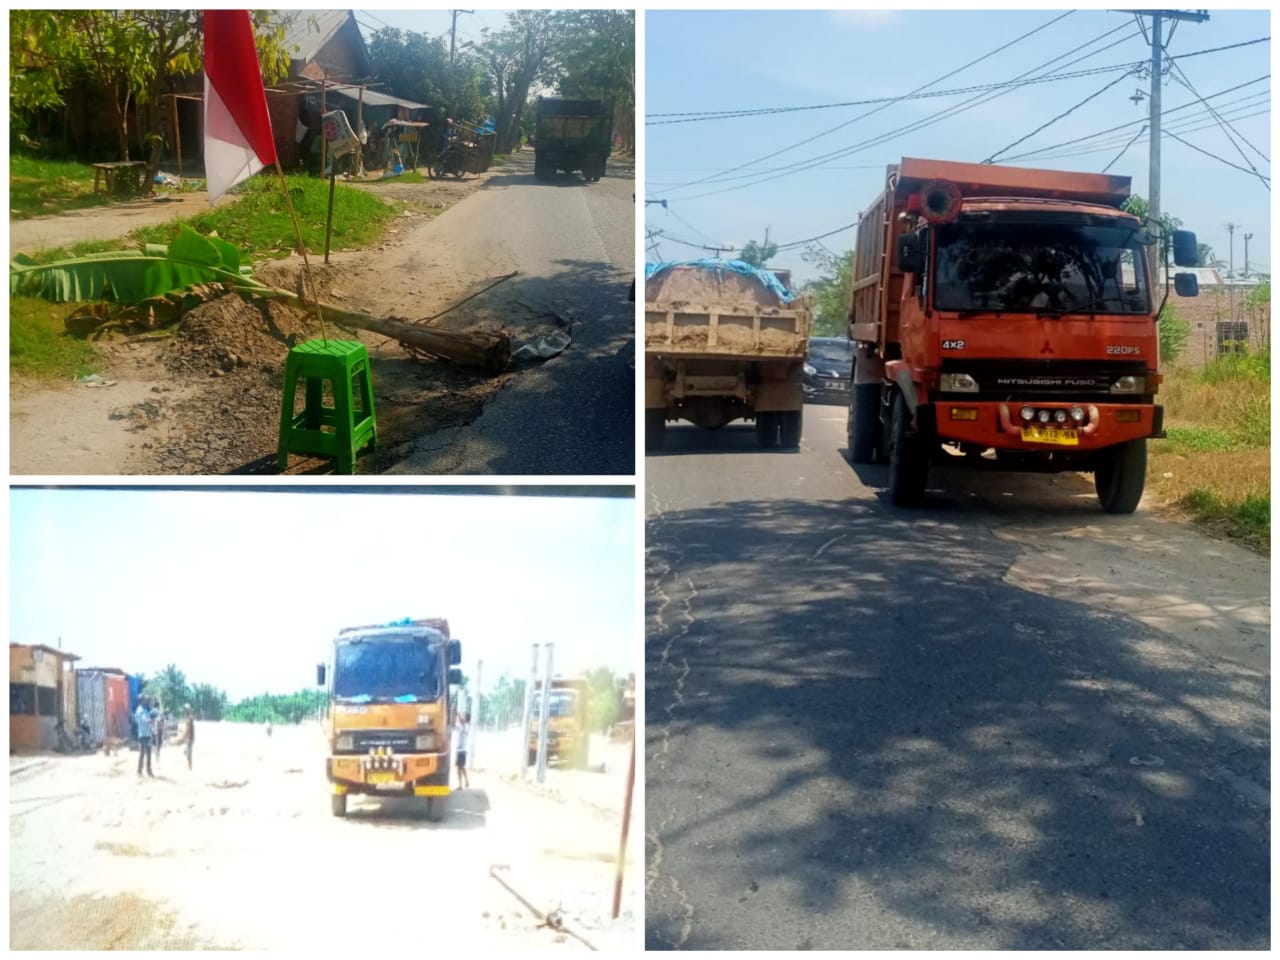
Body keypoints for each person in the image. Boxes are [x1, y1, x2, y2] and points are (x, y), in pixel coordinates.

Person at [134, 697, 154, 778]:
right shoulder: (140, 710)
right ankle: (140, 771)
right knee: (143, 754)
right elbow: (144, 720)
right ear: (141, 701)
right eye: (145, 700)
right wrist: (151, 721)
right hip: (143, 735)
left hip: (147, 734)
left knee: (148, 753)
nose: (146, 701)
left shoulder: (145, 710)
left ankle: (147, 771)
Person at [453, 712, 471, 789]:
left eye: (463, 716)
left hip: (462, 750)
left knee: (460, 768)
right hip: (460, 750)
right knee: (461, 767)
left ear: (466, 719)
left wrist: (457, 714)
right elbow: (454, 725)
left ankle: (462, 784)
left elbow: (461, 721)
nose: (462, 718)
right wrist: (454, 715)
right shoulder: (462, 726)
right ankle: (465, 782)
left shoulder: (466, 726)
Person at [177, 704, 195, 771]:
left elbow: (188, 729)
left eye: (185, 710)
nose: (184, 711)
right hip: (189, 737)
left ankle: (189, 767)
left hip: (190, 738)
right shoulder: (188, 718)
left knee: (188, 752)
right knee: (187, 752)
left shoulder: (190, 718)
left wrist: (182, 737)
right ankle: (189, 766)